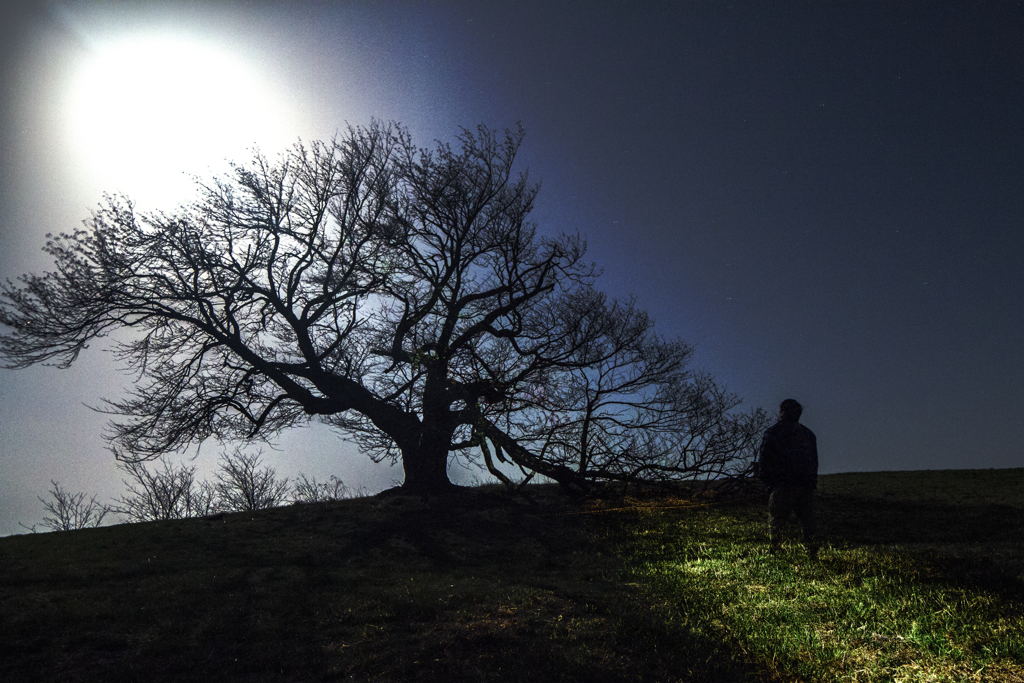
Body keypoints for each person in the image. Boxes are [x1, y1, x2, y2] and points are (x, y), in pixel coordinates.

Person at [756, 398, 819, 557]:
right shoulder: (808, 434)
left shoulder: (772, 432)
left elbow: (764, 459)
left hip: (782, 485)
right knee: (807, 521)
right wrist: (811, 483)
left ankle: (776, 550)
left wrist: (768, 484)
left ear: (782, 412)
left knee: (777, 520)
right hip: (804, 485)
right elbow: (814, 462)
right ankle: (811, 552)